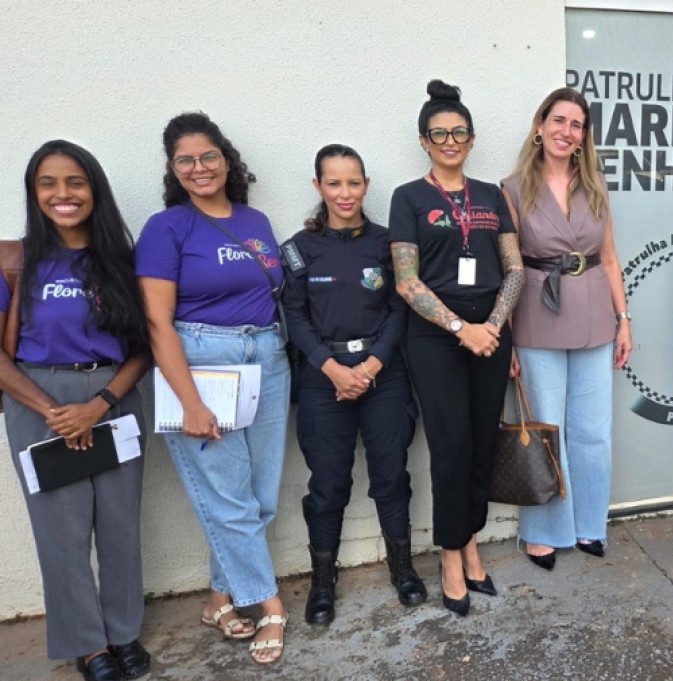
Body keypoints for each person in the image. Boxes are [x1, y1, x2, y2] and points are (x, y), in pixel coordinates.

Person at [136, 112, 289, 664]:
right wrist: (190, 402)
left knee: (258, 495)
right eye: (185, 160)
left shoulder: (255, 221)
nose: (198, 167)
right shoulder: (166, 227)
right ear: (173, 168)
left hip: (267, 358)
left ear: (226, 160)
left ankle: (219, 599)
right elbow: (157, 322)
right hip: (203, 361)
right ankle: (270, 605)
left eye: (208, 156)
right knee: (228, 497)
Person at [0, 141, 151, 681]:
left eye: (75, 182)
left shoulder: (123, 260)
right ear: (33, 192)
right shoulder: (13, 259)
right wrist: (55, 411)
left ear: (94, 189)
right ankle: (88, 645)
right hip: (38, 403)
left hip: (114, 399)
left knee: (119, 526)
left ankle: (123, 631)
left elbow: (145, 346)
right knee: (61, 533)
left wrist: (99, 405)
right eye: (48, 183)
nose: (62, 194)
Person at [389, 79, 524, 616]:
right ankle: (451, 555)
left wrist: (491, 324)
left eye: (459, 132)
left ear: (472, 138)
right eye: (439, 133)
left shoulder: (492, 196)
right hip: (436, 338)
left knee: (481, 444)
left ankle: (470, 542)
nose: (450, 141)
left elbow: (514, 268)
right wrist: (460, 328)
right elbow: (406, 281)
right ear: (424, 141)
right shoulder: (409, 197)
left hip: (490, 332)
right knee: (450, 448)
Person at [281, 144, 426, 625]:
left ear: (366, 185)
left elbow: (400, 308)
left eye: (354, 182)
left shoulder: (388, 243)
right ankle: (323, 581)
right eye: (334, 183)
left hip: (383, 374)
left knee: (391, 475)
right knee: (327, 484)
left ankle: (402, 568)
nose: (345, 193)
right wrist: (333, 369)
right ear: (318, 186)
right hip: (324, 378)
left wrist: (371, 366)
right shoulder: (299, 248)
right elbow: (294, 316)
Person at [501, 87, 631, 570]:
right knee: (544, 428)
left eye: (577, 125)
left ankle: (589, 524)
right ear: (540, 126)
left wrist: (624, 320)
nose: (566, 131)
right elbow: (510, 268)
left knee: (593, 431)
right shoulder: (512, 189)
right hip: (538, 317)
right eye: (559, 120)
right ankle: (543, 532)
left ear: (583, 136)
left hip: (596, 315)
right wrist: (507, 338)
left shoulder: (595, 184)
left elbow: (610, 258)